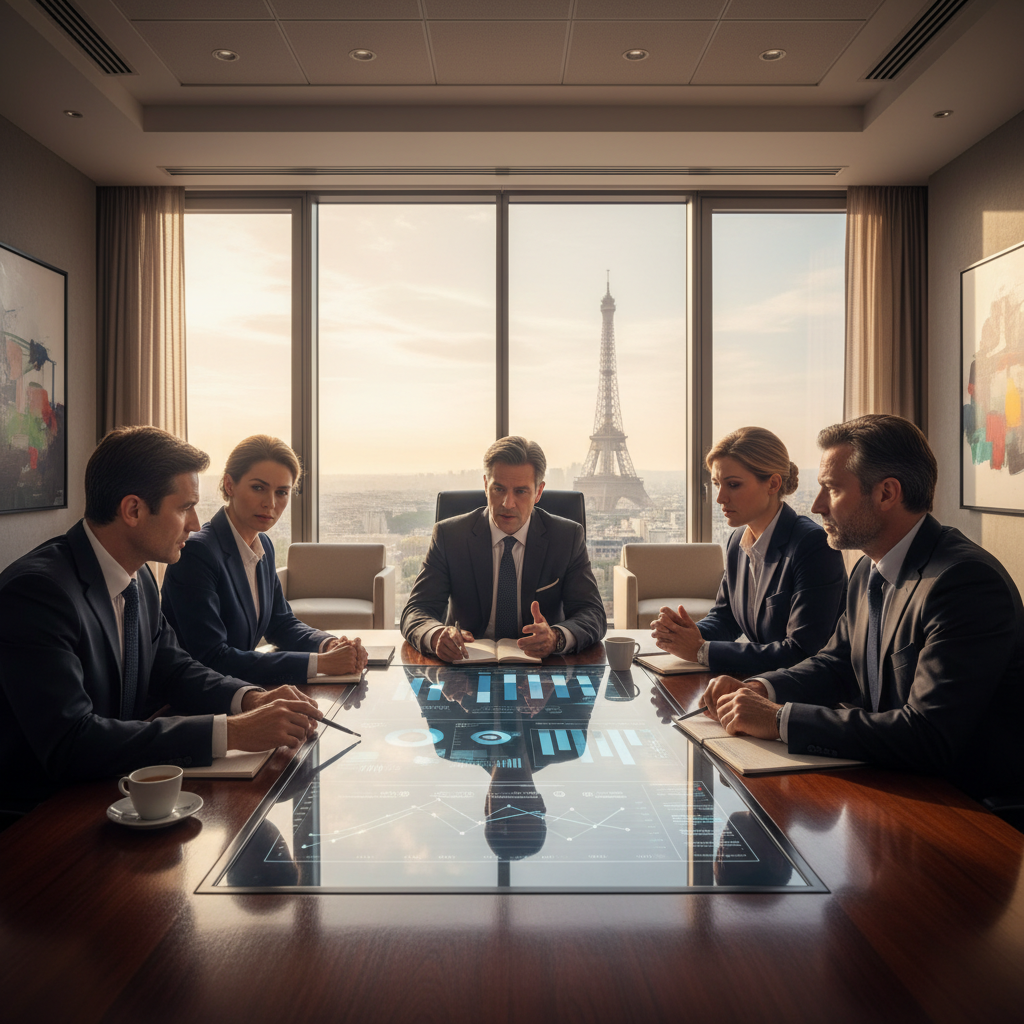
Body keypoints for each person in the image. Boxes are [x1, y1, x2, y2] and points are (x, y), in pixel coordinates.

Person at [0, 426, 327, 816]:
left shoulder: (137, 575)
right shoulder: (38, 593)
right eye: (184, 507)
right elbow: (71, 741)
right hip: (41, 817)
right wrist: (234, 732)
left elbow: (174, 669)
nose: (194, 523)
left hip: (116, 789)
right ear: (134, 510)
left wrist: (251, 698)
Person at [699, 414, 1024, 801]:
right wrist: (760, 688)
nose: (817, 505)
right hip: (891, 783)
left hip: (965, 808)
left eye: (831, 489)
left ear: (887, 493)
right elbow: (836, 664)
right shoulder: (870, 567)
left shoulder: (964, 582)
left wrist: (779, 719)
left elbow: (928, 736)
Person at [162, 434, 366, 687]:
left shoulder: (263, 545)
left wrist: (328, 644)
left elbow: (280, 623)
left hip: (242, 687)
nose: (270, 503)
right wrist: (320, 664)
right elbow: (212, 658)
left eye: (282, 492)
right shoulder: (197, 553)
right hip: (196, 700)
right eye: (258, 487)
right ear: (229, 485)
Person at [651, 427, 847, 676]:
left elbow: (802, 651)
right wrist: (685, 634)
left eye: (733, 484)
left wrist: (701, 651)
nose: (720, 498)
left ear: (773, 484)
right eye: (716, 484)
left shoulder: (812, 545)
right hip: (758, 681)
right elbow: (726, 618)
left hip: (805, 695)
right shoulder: (737, 542)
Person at [401, 436, 606, 661]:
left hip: (543, 668)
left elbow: (592, 613)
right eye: (499, 489)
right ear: (485, 486)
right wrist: (436, 634)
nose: (508, 503)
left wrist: (556, 637)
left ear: (538, 492)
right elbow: (416, 611)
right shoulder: (450, 536)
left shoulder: (567, 537)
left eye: (521, 491)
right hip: (466, 663)